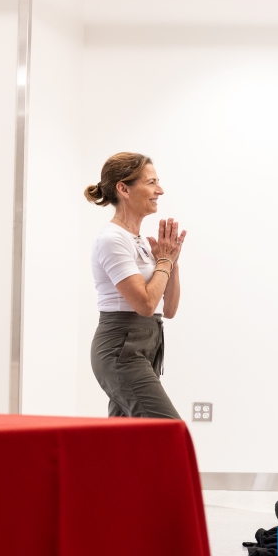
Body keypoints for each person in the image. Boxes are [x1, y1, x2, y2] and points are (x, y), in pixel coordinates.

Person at [85, 152, 187, 419]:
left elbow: (170, 308)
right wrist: (163, 262)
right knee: (167, 429)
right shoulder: (112, 239)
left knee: (126, 442)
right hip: (121, 348)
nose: (159, 190)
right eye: (151, 182)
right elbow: (144, 304)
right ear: (123, 189)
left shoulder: (138, 241)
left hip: (146, 345)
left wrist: (171, 262)